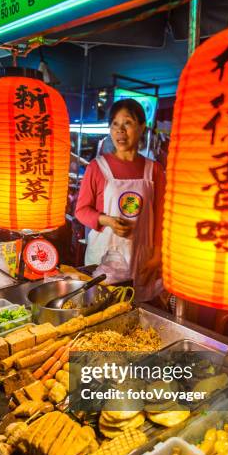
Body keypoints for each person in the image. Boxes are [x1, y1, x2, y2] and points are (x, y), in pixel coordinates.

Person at [75, 98, 165, 302]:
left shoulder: (155, 170)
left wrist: (158, 255)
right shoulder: (97, 167)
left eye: (127, 123)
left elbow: (161, 217)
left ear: (142, 127)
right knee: (100, 309)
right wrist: (108, 221)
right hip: (104, 256)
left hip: (141, 256)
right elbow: (81, 210)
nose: (120, 131)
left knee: (136, 312)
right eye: (115, 124)